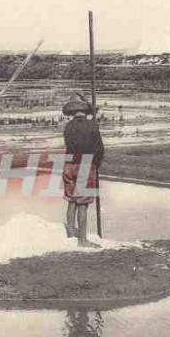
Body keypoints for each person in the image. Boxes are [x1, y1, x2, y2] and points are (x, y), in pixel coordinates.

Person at [62, 93, 104, 247]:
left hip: (68, 165)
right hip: (85, 165)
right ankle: (82, 240)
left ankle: (71, 233)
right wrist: (95, 166)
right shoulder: (92, 126)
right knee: (83, 203)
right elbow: (99, 149)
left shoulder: (68, 127)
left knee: (71, 199)